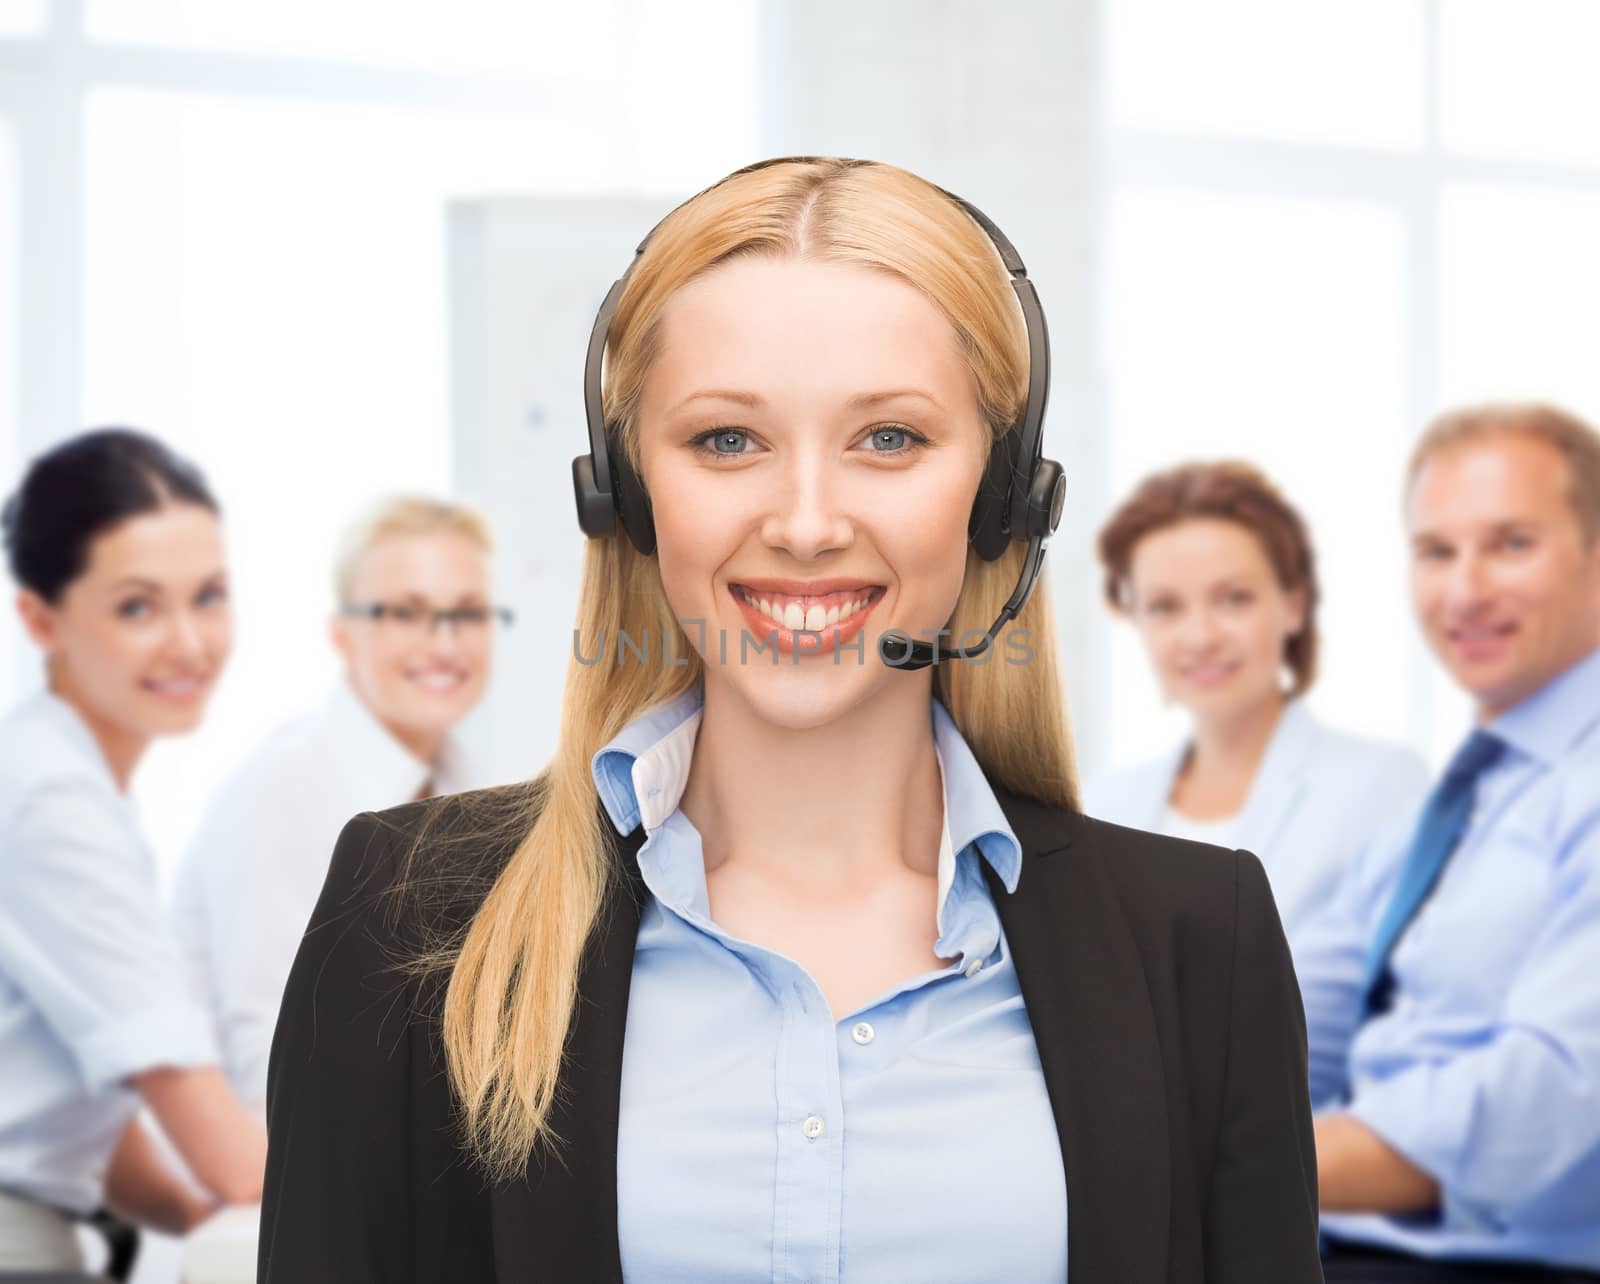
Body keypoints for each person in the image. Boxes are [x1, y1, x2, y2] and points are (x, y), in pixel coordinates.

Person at [258, 157, 1321, 1282]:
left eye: (889, 440)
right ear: (624, 492)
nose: (806, 524)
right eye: (727, 440)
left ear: (1003, 495)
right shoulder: (411, 913)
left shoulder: (1200, 942)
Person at [1296, 403, 1600, 1282]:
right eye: (1436, 552)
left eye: (1511, 544)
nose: (1465, 591)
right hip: (1333, 1245)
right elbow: (1282, 1014)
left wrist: (1233, 1160)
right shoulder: (1452, 810)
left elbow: (1539, 1100)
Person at [0, 428, 265, 1272]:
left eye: (210, 596)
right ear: (40, 618)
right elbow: (216, 1138)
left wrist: (194, 1214)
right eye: (138, 607)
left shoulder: (59, 775)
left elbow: (67, 1100)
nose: (190, 644)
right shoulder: (50, 803)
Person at [169, 495, 504, 1107]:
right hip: (259, 1179)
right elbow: (268, 1060)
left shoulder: (475, 789)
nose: (446, 644)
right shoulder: (278, 793)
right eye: (406, 612)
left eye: (469, 613)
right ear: (341, 635)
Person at [1086, 461, 1429, 940]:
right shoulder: (1101, 806)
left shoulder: (1384, 786)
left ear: (1293, 604)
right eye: (1165, 606)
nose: (1200, 636)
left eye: (1234, 599)